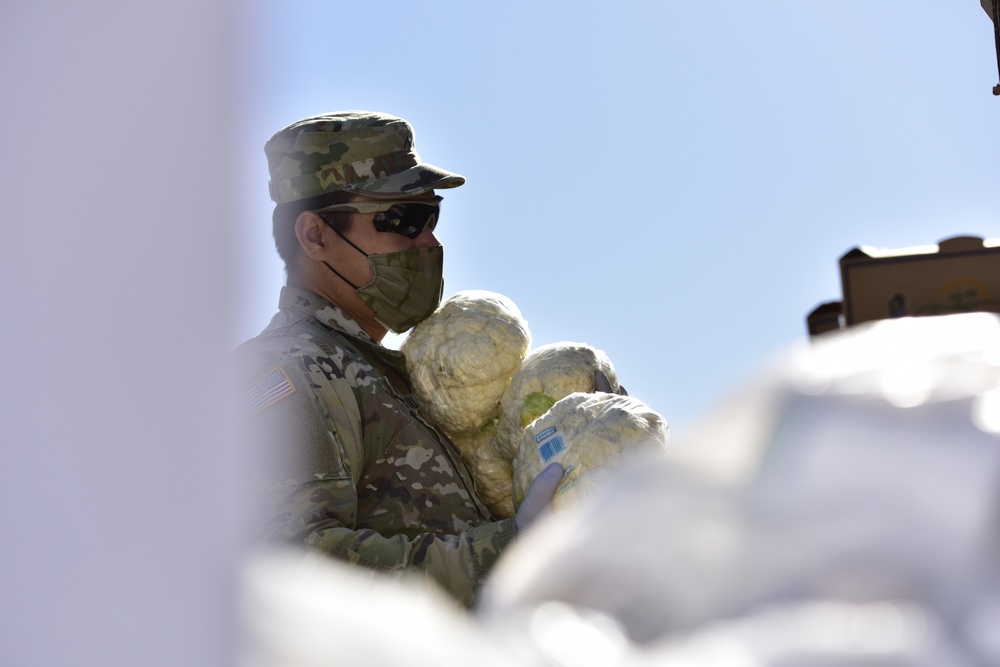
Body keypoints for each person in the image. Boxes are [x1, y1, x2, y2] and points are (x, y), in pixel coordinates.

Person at [234, 111, 564, 607]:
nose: (428, 242)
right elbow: (298, 566)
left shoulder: (395, 376)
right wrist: (506, 551)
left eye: (430, 216)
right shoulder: (288, 369)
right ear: (315, 236)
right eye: (402, 220)